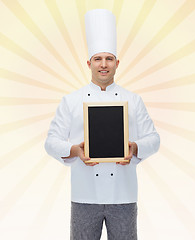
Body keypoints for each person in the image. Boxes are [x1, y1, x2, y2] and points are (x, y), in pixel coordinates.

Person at [45, 9, 160, 240]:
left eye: (109, 59)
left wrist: (134, 147)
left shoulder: (134, 100)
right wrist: (75, 150)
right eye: (98, 59)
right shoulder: (71, 100)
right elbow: (51, 142)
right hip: (84, 194)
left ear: (117, 63)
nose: (103, 64)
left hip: (124, 195)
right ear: (89, 63)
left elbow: (154, 139)